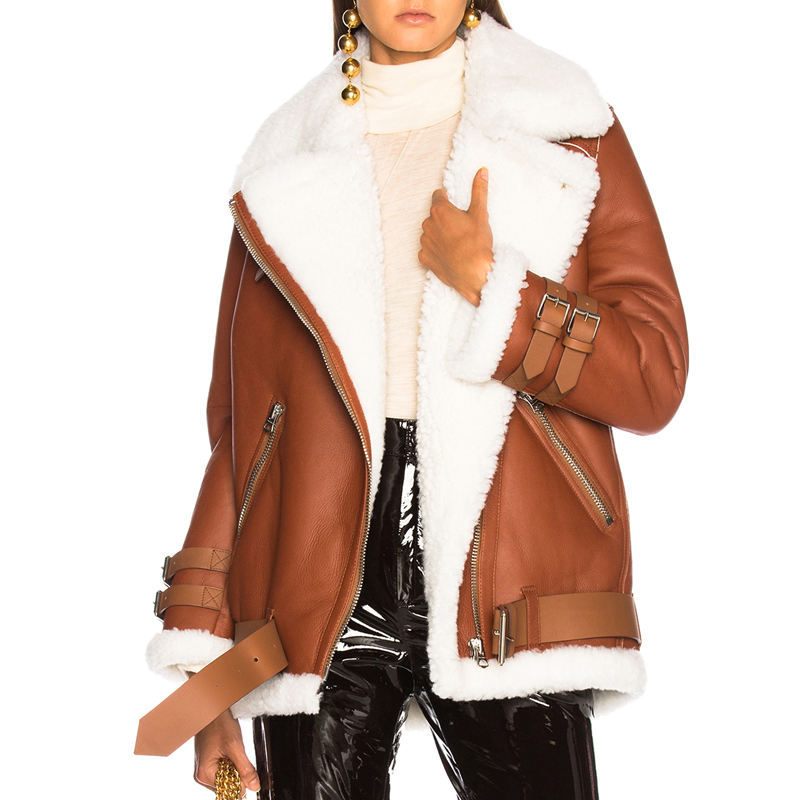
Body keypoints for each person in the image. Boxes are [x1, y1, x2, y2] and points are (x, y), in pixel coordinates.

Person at [140, 1, 689, 797]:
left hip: (510, 576)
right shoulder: (283, 158)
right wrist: (205, 687)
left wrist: (495, 289)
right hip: (314, 585)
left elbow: (654, 374)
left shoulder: (563, 124)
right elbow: (244, 441)